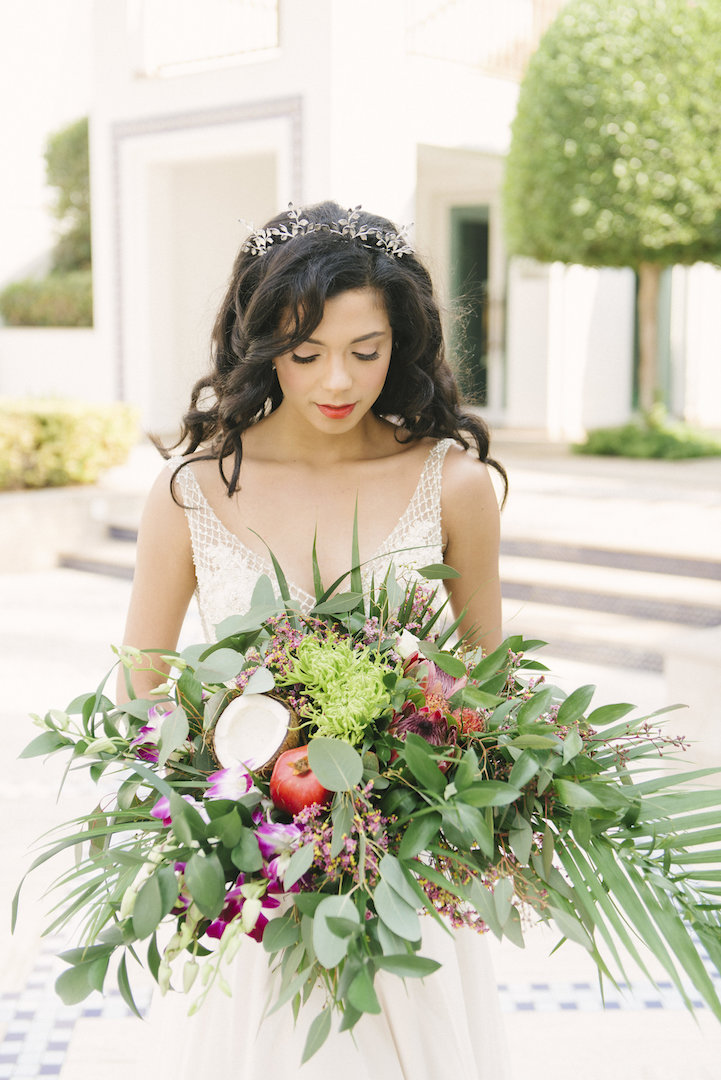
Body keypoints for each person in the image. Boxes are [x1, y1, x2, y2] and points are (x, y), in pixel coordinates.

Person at [121, 201, 511, 1078]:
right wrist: (230, 809)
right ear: (262, 346)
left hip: (404, 886)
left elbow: (494, 688)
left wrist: (417, 787)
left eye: (364, 352)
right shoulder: (191, 491)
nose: (337, 380)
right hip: (256, 890)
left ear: (399, 343)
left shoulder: (453, 486)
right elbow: (139, 690)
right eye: (305, 354)